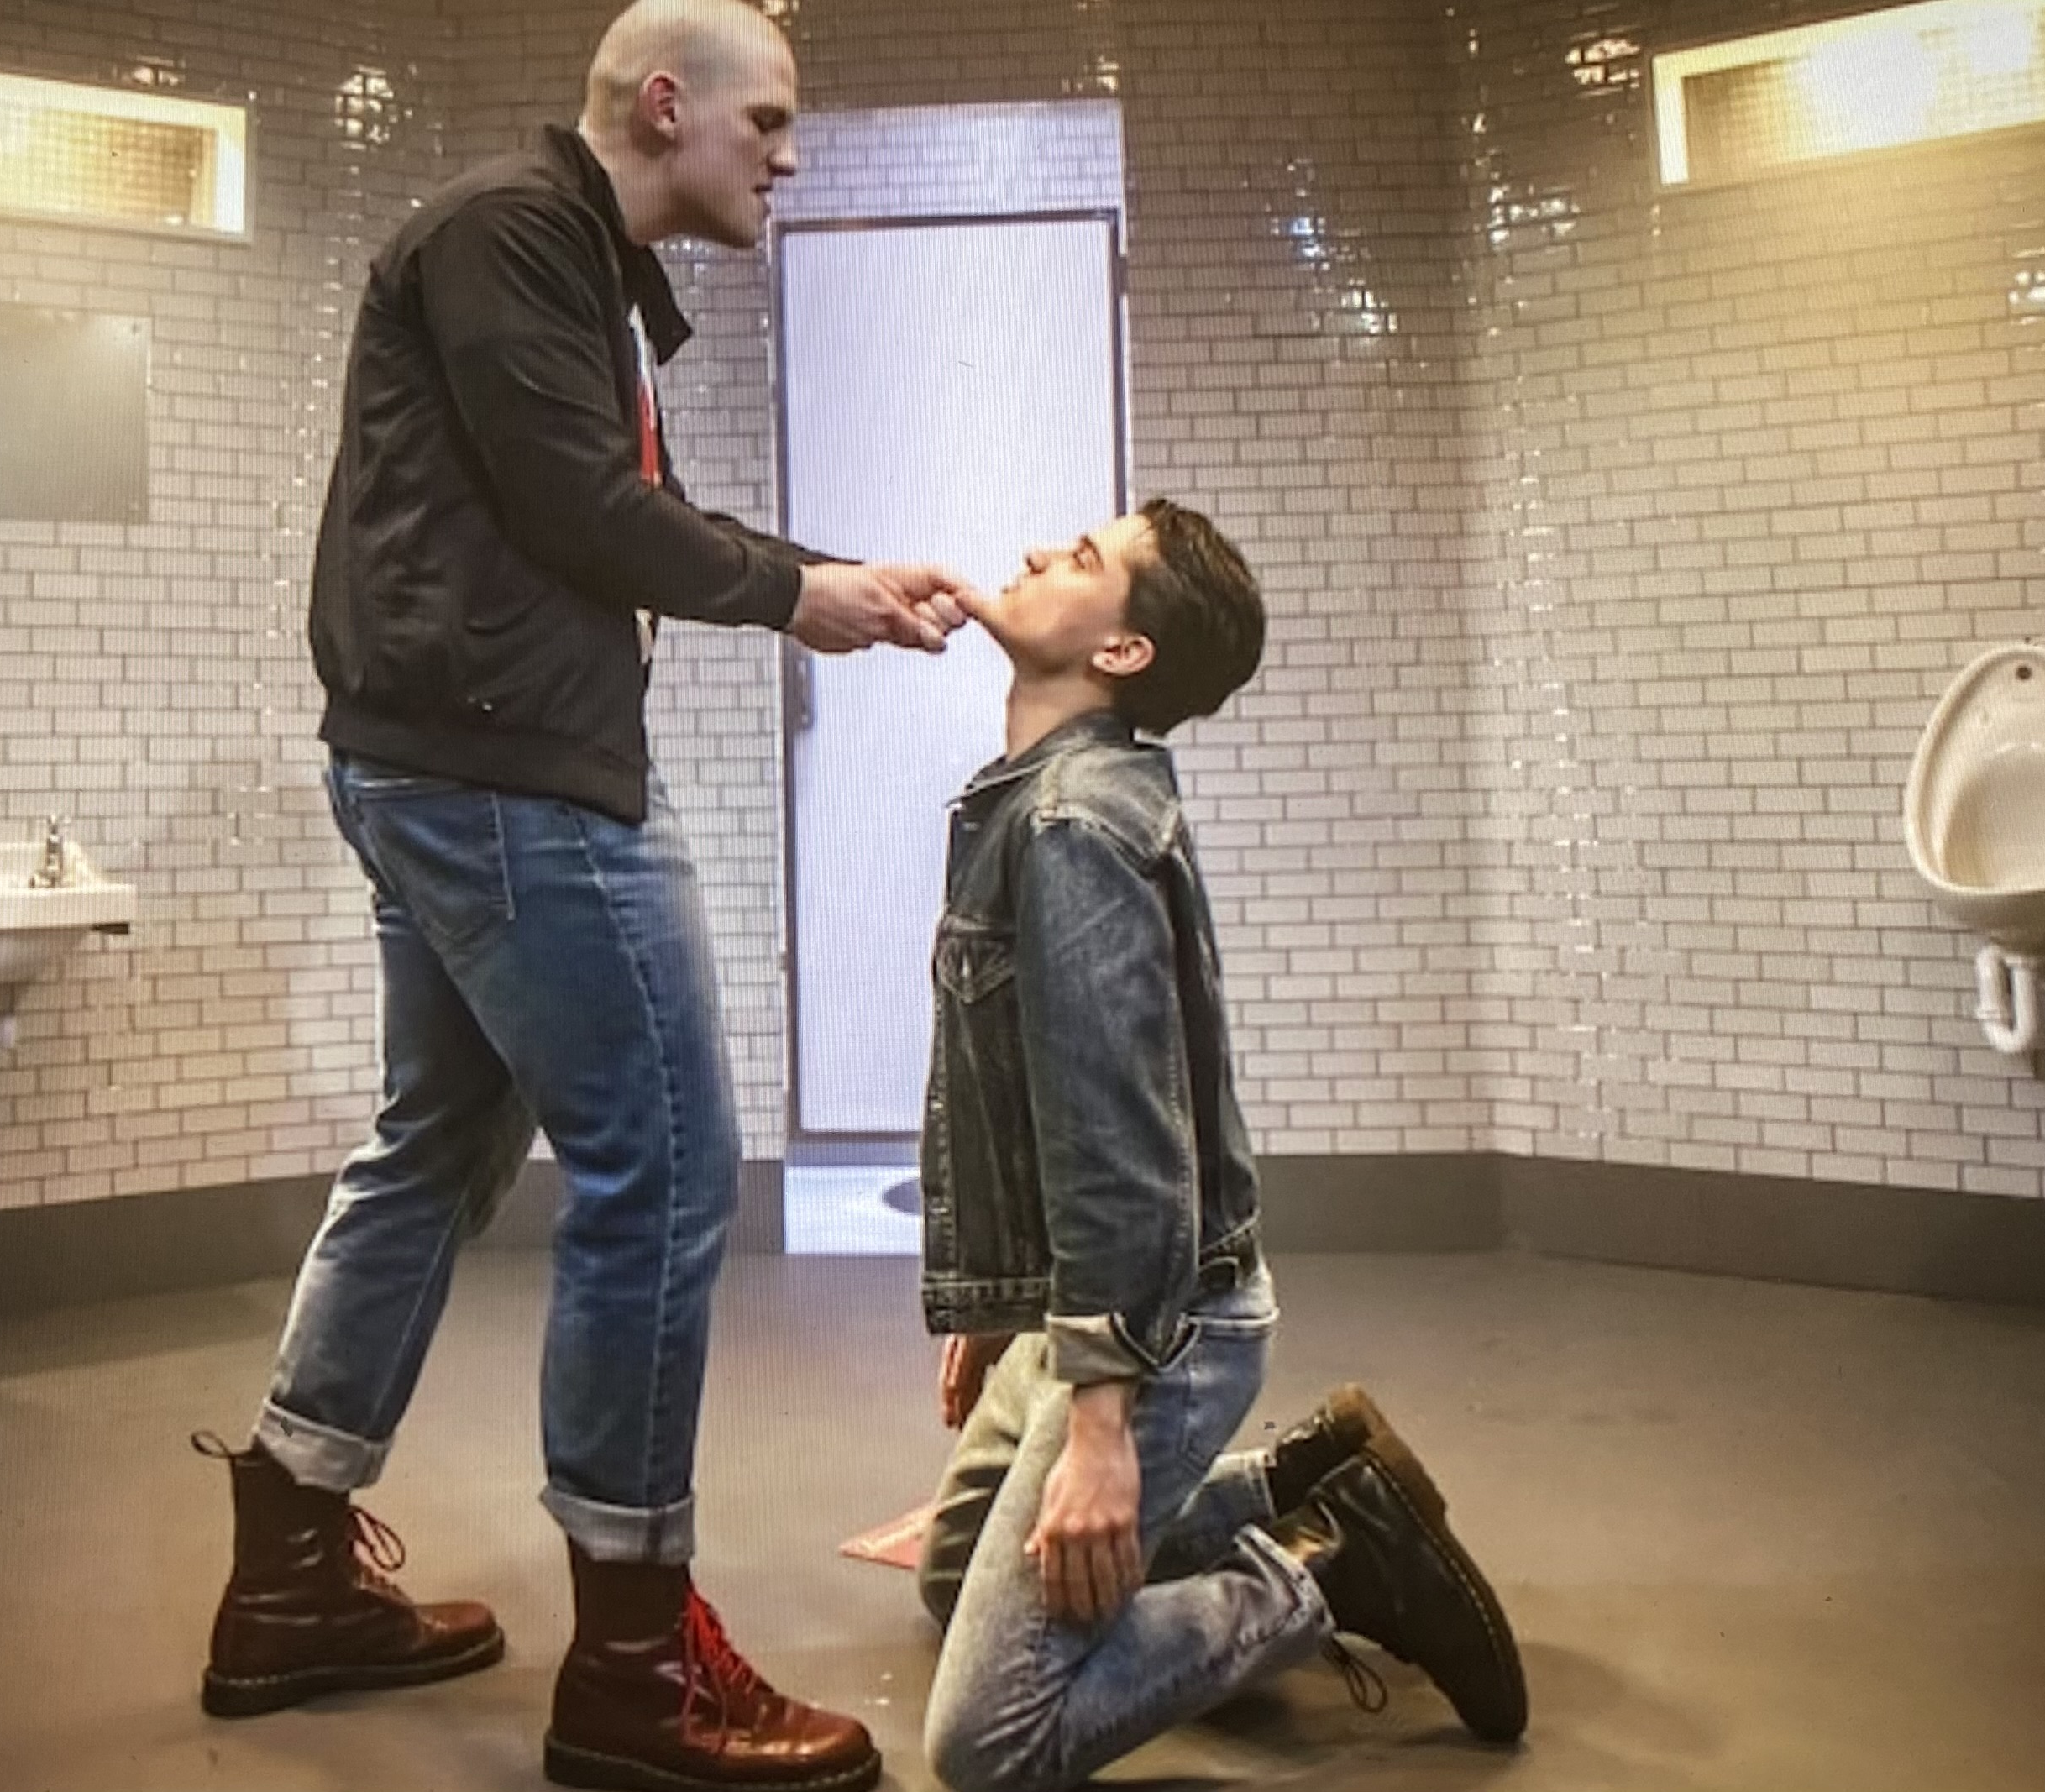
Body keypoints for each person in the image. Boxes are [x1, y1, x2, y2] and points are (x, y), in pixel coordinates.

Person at [193, 7, 967, 1791]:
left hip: (454, 764)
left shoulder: (571, 262)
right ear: (668, 104)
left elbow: (614, 501)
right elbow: (581, 510)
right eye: (770, 122)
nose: (788, 154)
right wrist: (799, 599)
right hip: (509, 778)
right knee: (669, 1162)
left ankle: (291, 1565)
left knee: (438, 1145)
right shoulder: (510, 230)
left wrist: (832, 575)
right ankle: (632, 1665)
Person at [909, 500, 1529, 1792]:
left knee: (990, 1738)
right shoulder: (1042, 799)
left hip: (1159, 1330)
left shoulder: (1075, 828)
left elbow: (1119, 1139)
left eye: (1084, 558)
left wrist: (1101, 1417)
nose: (1037, 553)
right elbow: (1037, 1098)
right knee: (959, 1572)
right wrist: (1007, 1291)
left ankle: (1325, 1563)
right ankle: (1291, 1478)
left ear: (1121, 652)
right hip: (1099, 1299)